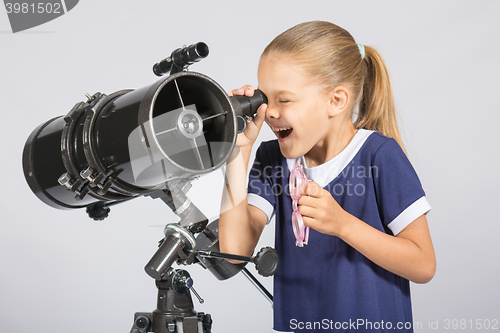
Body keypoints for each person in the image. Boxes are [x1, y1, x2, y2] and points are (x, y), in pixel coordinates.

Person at [218, 21, 435, 333]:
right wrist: (238, 154)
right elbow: (234, 254)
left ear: (336, 101)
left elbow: (424, 265)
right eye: (266, 99)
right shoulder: (271, 159)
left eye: (285, 100)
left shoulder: (378, 156)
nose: (270, 112)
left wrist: (342, 224)